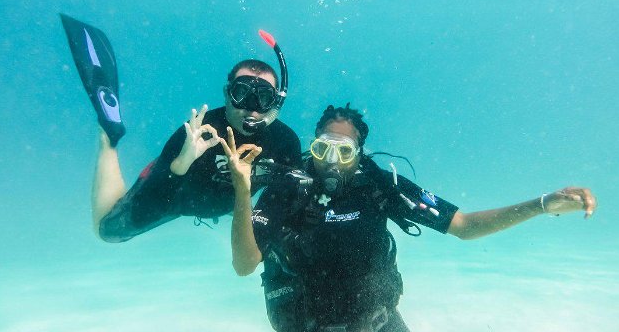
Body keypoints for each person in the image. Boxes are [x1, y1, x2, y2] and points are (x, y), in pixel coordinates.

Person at [221, 104, 597, 332]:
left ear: (360, 154)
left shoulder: (381, 186)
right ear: (312, 146)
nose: (332, 160)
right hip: (304, 325)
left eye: (345, 152)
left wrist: (541, 204)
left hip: (378, 321)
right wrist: (243, 191)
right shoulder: (288, 189)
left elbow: (463, 226)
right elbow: (243, 265)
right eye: (323, 148)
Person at [60, 14, 301, 242]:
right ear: (228, 95)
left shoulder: (285, 141)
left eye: (263, 97)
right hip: (180, 196)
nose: (252, 108)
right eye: (242, 94)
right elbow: (155, 201)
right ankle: (110, 138)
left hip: (228, 203)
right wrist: (180, 164)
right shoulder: (198, 132)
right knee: (109, 232)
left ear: (276, 103)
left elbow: (290, 199)